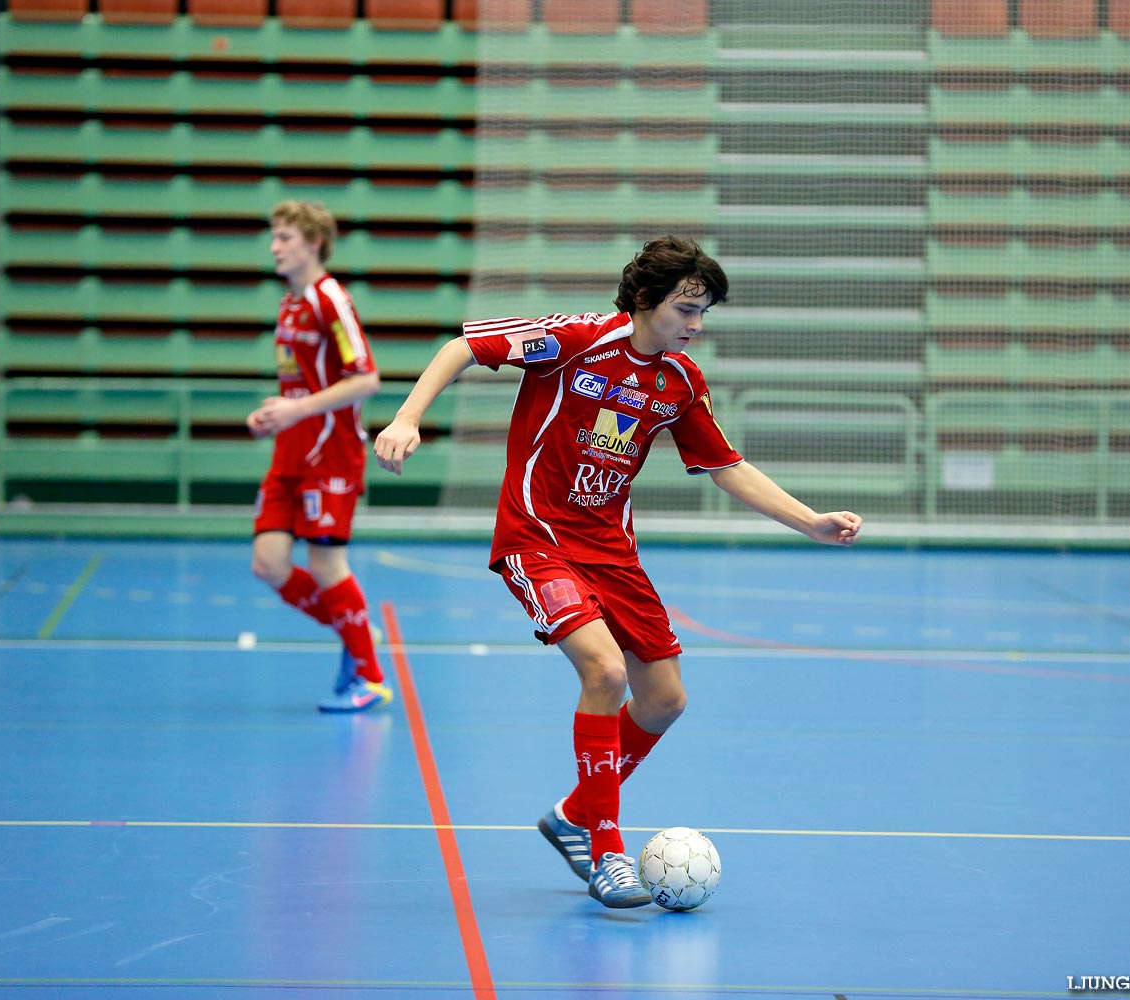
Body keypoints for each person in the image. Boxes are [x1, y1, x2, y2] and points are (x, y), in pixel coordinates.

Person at [373, 236, 862, 906]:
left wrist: (810, 521)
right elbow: (463, 347)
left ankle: (573, 814)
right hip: (537, 536)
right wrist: (407, 418)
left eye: (704, 313)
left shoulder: (681, 382)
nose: (696, 325)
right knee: (602, 671)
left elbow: (725, 466)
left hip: (612, 550)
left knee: (664, 700)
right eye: (686, 309)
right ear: (644, 300)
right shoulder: (573, 340)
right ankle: (606, 848)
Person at [247, 199, 392, 713]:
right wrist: (274, 416)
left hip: (330, 453)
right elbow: (298, 385)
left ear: (313, 243)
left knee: (327, 562)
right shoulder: (290, 305)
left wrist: (299, 409)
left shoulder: (333, 301)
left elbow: (367, 379)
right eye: (274, 237)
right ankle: (357, 633)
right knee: (268, 563)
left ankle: (370, 677)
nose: (274, 247)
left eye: (283, 238)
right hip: (291, 451)